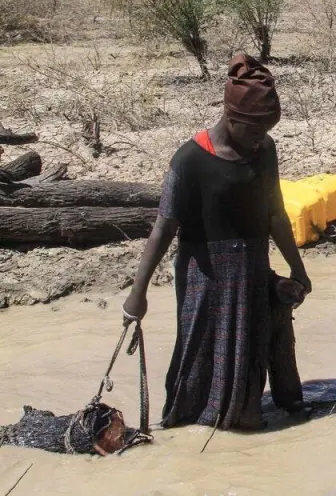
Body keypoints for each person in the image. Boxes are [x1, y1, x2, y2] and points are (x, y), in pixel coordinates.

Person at [122, 53, 312, 431]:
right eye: (254, 130)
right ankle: (189, 420)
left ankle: (240, 419)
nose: (261, 139)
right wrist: (137, 293)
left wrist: (298, 268)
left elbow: (275, 213)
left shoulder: (265, 150)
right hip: (203, 279)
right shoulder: (190, 160)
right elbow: (163, 227)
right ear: (231, 119)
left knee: (247, 353)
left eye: (266, 131)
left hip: (252, 270)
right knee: (198, 354)